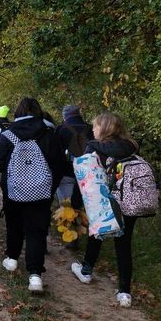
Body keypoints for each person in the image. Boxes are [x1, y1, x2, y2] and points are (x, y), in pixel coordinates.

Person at [0, 98, 64, 292]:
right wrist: (49, 187)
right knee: (36, 231)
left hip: (13, 190)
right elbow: (59, 165)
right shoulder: (48, 134)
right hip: (41, 191)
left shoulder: (9, 135)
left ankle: (12, 259)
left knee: (14, 225)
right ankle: (35, 275)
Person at [70, 112, 139, 307]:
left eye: (96, 126)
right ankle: (125, 293)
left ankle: (86, 271)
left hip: (105, 199)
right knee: (124, 244)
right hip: (128, 199)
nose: (93, 129)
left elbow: (85, 175)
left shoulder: (94, 147)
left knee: (97, 233)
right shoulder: (131, 146)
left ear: (105, 128)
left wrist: (76, 202)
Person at [55, 105, 94, 248]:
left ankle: (71, 239)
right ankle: (90, 235)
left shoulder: (61, 129)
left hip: (67, 173)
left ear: (65, 116)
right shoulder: (91, 129)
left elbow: (56, 153)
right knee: (82, 205)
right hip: (88, 174)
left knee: (66, 206)